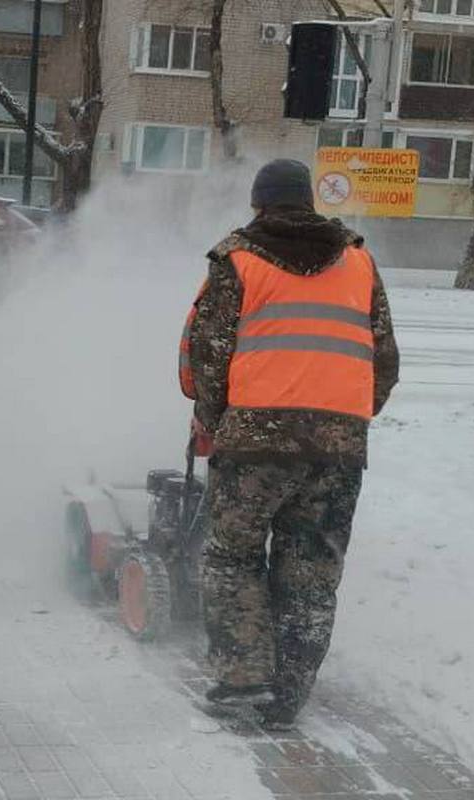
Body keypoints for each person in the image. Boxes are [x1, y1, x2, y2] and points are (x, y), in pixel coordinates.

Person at [181, 159, 400, 728]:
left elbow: (209, 353)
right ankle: (288, 695)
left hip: (254, 444)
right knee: (312, 568)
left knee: (234, 555)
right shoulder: (359, 261)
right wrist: (346, 417)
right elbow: (385, 360)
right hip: (337, 451)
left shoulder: (238, 258)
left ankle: (244, 677)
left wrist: (212, 419)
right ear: (309, 202)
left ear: (258, 204)